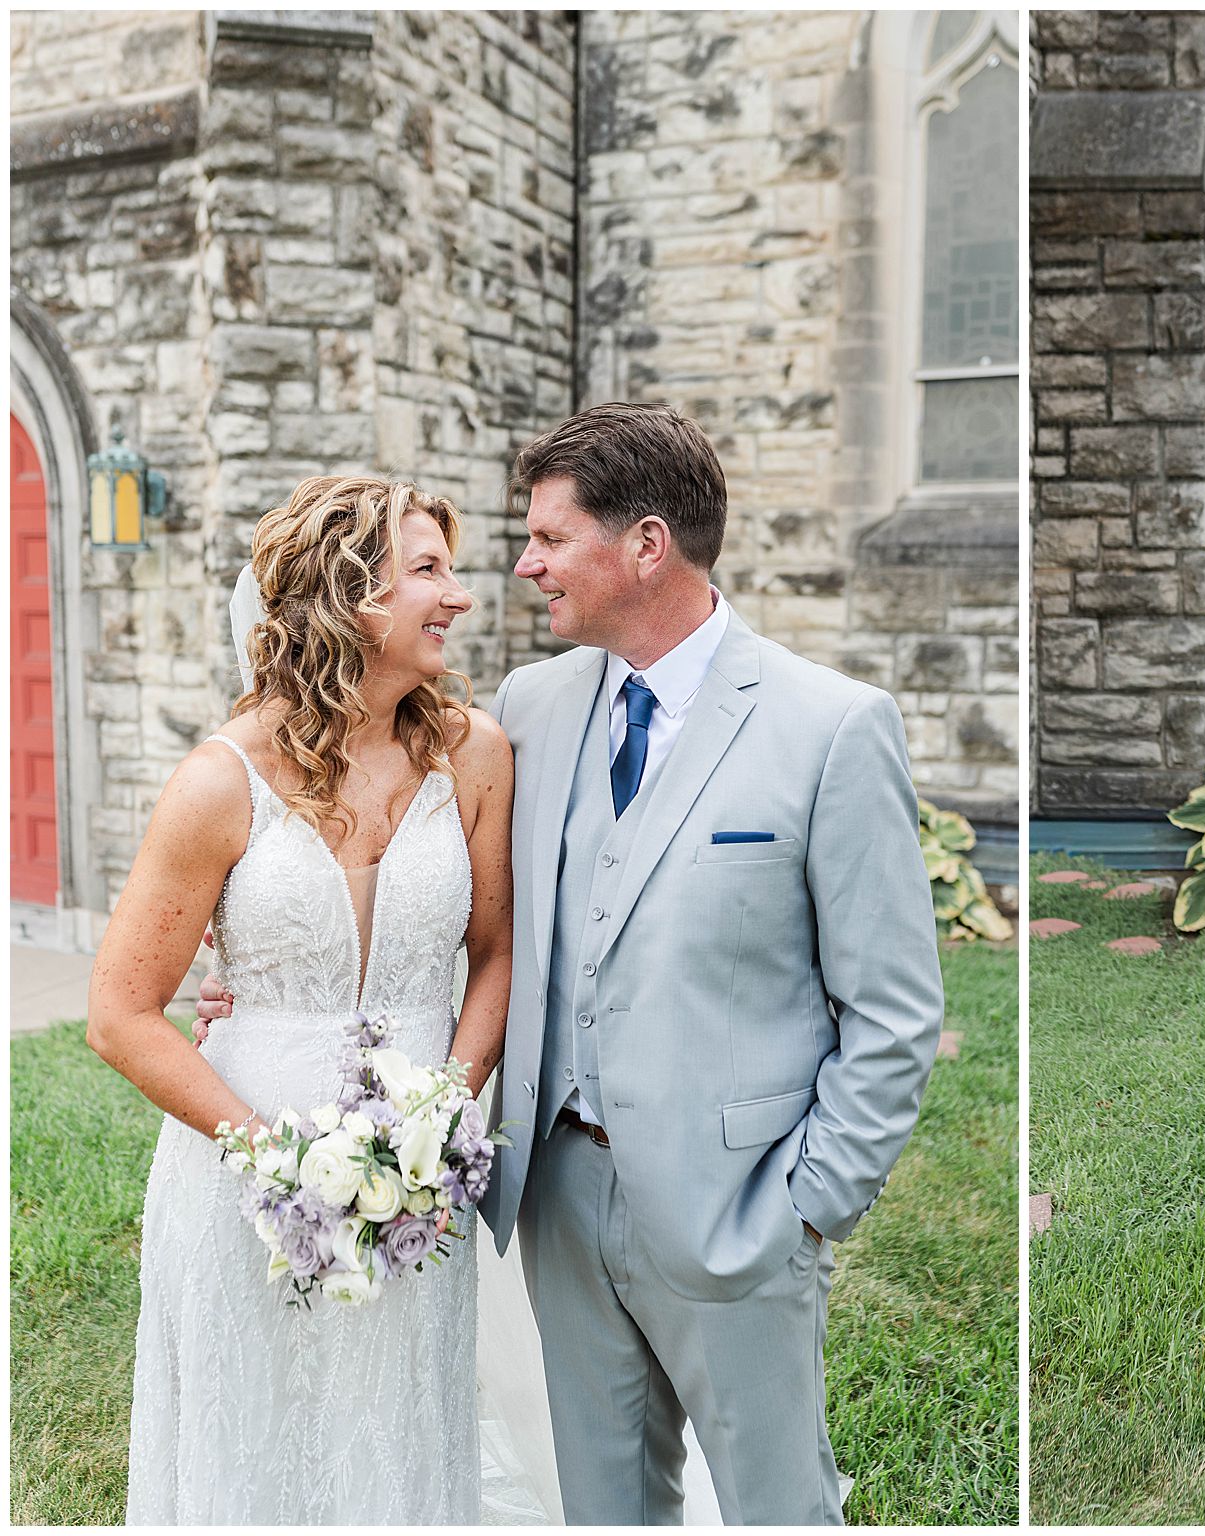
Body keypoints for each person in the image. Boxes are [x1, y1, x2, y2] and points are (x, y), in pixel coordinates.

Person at [202, 402, 944, 1523]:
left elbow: (893, 1011)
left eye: (549, 538)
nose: (524, 565)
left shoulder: (830, 726)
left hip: (742, 1207)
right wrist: (260, 978)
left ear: (645, 545)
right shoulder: (527, 713)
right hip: (557, 1202)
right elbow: (444, 910)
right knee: (601, 1509)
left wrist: (808, 1205)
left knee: (777, 1508)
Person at [89, 477, 515, 1523]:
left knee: (395, 1422)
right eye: (428, 570)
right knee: (256, 1435)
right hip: (244, 1175)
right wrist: (275, 1163)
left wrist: (438, 1123)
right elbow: (121, 1013)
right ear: (349, 595)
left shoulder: (474, 755)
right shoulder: (218, 783)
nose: (459, 595)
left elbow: (497, 954)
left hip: (418, 1180)